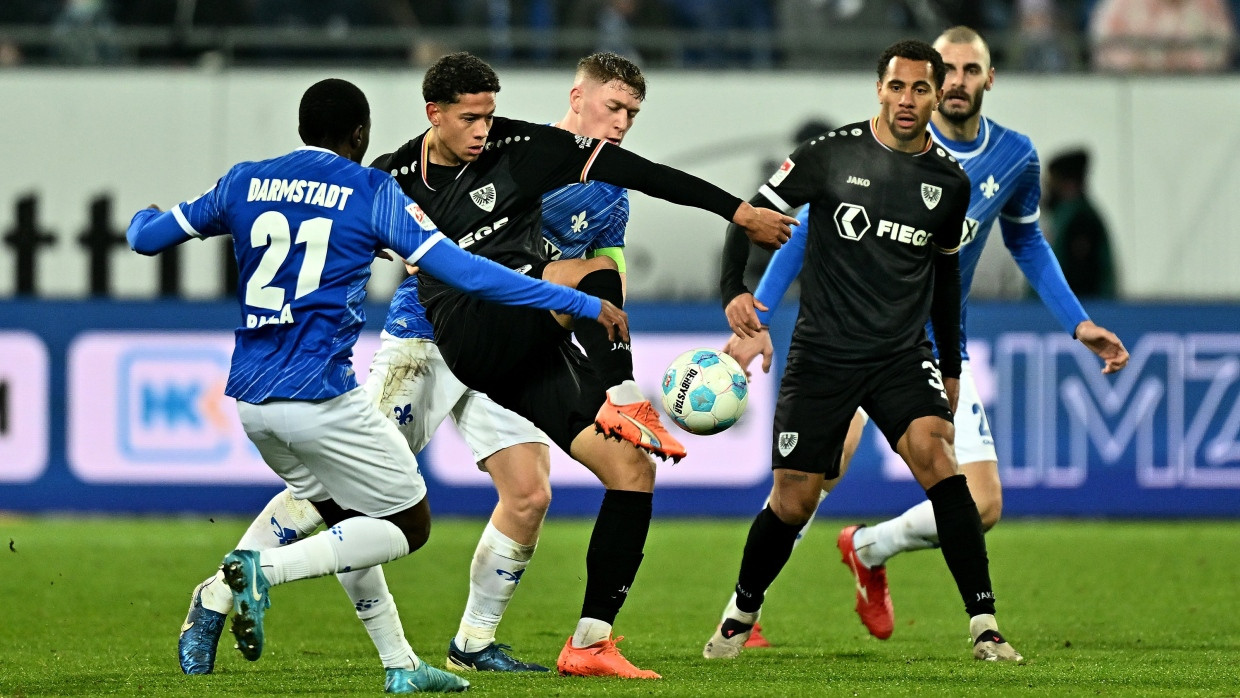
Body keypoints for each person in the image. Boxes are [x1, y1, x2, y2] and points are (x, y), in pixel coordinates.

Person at [135, 77, 629, 693]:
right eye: (616, 107)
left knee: (525, 494)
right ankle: (228, 586)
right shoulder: (381, 184)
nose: (480, 128)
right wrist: (573, 300)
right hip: (415, 342)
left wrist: (141, 219)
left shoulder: (246, 179)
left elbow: (146, 238)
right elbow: (468, 271)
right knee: (364, 510)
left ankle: (459, 647)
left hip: (493, 347)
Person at [372, 51, 793, 679]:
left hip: (524, 337)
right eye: (614, 106)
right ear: (577, 96)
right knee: (347, 493)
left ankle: (571, 642)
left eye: (633, 112)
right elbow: (392, 213)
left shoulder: (606, 195)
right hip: (430, 340)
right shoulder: (509, 150)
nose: (623, 121)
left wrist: (614, 366)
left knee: (579, 483)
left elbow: (614, 282)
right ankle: (231, 583)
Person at [715, 26, 1130, 651]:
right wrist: (759, 309)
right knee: (805, 487)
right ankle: (743, 612)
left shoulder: (1009, 158)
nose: (954, 81)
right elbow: (799, 230)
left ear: (984, 80)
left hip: (922, 345)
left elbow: (1020, 244)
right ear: (885, 89)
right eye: (944, 70)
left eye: (965, 71)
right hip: (833, 342)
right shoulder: (850, 153)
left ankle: (872, 551)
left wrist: (1076, 321)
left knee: (979, 501)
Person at [702, 38, 1022, 663]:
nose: (907, 100)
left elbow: (947, 282)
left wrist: (951, 369)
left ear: (935, 95)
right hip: (824, 354)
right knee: (793, 498)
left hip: (901, 354)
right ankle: (741, 613)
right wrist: (734, 295)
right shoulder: (829, 155)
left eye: (920, 89)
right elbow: (747, 215)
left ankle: (985, 626)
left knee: (940, 462)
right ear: (879, 88)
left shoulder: (949, 184)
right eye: (896, 87)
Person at [1046, 148, 1118, 298]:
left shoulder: (1081, 220)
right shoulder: (1063, 216)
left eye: (1053, 181)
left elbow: (1081, 275)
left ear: (1068, 183)